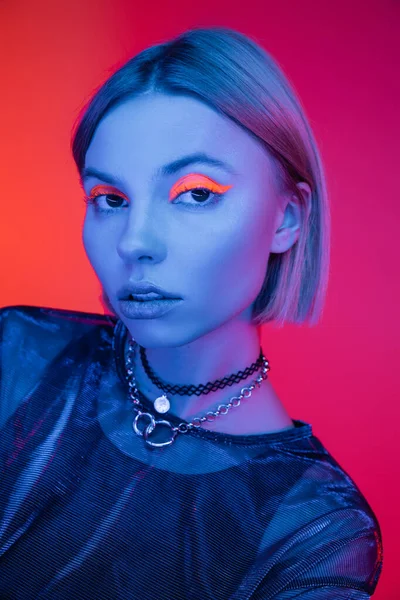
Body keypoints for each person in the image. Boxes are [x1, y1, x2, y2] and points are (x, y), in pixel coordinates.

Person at [0, 26, 383, 599]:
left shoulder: (315, 531)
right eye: (110, 200)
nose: (135, 241)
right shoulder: (18, 354)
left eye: (196, 193)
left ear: (287, 218)